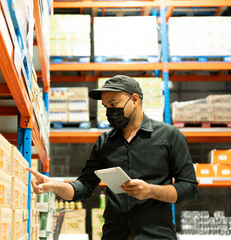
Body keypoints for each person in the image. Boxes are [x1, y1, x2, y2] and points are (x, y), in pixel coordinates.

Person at [27, 75, 198, 240]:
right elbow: (84, 186)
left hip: (156, 235)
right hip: (114, 235)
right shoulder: (104, 142)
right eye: (106, 106)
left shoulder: (169, 136)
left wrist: (151, 190)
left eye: (114, 104)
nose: (110, 111)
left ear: (135, 100)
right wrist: (54, 186)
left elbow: (189, 188)